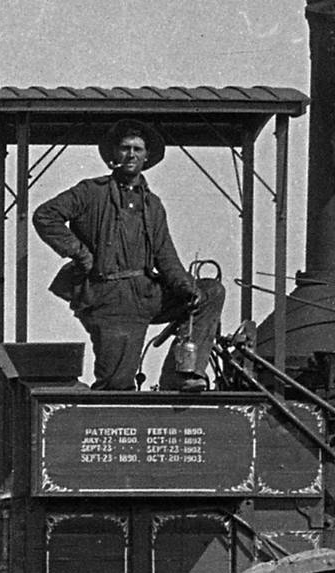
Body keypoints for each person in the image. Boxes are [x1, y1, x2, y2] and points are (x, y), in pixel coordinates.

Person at [33, 118, 226, 392]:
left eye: (137, 149)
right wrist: (80, 254)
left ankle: (182, 374)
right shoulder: (90, 192)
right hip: (109, 301)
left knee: (211, 292)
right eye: (125, 148)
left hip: (147, 295)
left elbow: (165, 256)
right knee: (117, 386)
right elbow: (45, 215)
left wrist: (187, 288)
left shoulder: (154, 205)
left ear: (147, 157)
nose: (131, 154)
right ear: (114, 155)